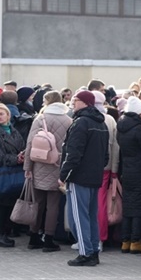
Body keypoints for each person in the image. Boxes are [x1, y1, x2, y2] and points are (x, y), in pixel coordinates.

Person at [59, 90, 109, 266]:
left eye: (76, 100)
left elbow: (73, 153)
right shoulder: (101, 123)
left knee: (78, 218)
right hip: (95, 177)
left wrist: (63, 175)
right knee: (91, 216)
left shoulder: (80, 123)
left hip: (79, 176)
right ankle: (93, 250)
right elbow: (105, 156)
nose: (73, 102)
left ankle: (85, 252)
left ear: (85, 102)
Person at [23, 90, 72, 252]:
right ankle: (49, 240)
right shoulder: (69, 120)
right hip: (59, 166)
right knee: (53, 205)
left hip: (39, 165)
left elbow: (30, 144)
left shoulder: (40, 118)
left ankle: (33, 236)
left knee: (37, 203)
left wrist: (27, 168)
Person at [116, 96, 141, 254]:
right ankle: (136, 241)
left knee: (128, 206)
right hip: (140, 170)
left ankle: (125, 240)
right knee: (139, 207)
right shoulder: (140, 130)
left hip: (126, 170)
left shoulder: (121, 127)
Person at [0, 104, 26, 248]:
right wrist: (15, 159)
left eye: (1, 114)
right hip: (1, 171)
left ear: (8, 115)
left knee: (10, 201)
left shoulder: (14, 131)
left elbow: (22, 146)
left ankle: (5, 232)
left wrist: (22, 156)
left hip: (14, 171)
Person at [93, 91, 120, 249]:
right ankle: (101, 237)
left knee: (91, 203)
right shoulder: (110, 120)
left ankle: (93, 237)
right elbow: (116, 147)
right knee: (101, 202)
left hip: (90, 168)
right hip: (106, 166)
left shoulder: (84, 118)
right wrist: (115, 170)